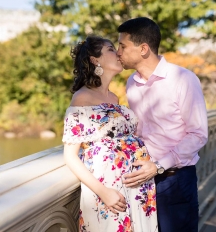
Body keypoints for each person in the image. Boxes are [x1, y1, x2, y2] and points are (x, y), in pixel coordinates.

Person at [117, 17, 208, 232]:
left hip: (175, 180)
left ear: (143, 49)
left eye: (122, 46)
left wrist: (158, 166)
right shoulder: (132, 83)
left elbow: (198, 134)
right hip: (141, 178)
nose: (118, 52)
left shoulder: (183, 79)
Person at [62, 35, 158, 232]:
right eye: (111, 49)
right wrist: (103, 192)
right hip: (108, 189)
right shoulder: (82, 98)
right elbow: (70, 156)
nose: (118, 53)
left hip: (137, 187)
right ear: (95, 59)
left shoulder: (114, 98)